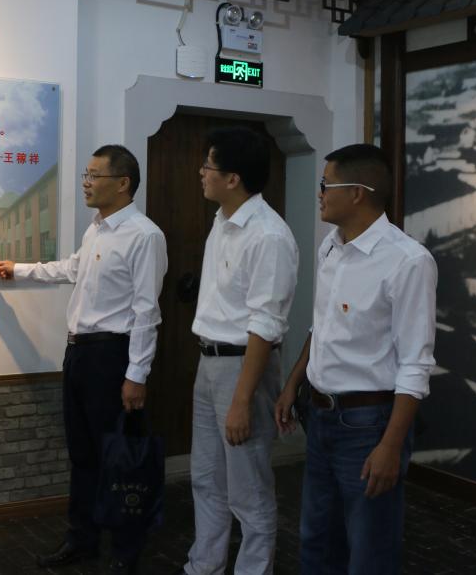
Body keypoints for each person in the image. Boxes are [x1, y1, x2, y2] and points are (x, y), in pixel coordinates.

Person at [0, 144, 167, 575]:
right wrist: (20, 268)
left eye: (94, 176)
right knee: (83, 455)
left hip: (114, 357)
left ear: (122, 183)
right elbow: (71, 269)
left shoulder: (144, 235)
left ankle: (125, 551)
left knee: (120, 457)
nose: (86, 183)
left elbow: (147, 311)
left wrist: (137, 375)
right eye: (85, 175)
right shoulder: (97, 230)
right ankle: (82, 540)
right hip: (80, 355)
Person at [274, 143, 437, 574]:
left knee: (369, 550)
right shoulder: (331, 247)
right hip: (321, 416)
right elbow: (322, 327)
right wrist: (293, 383)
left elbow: (416, 365)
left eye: (326, 184)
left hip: (368, 425)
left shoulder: (407, 261)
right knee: (316, 541)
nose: (320, 193)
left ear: (357, 193)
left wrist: (391, 446)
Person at [178, 128, 298, 575]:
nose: (201, 173)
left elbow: (265, 326)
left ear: (233, 178)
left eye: (208, 166)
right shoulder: (222, 221)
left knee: (248, 489)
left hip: (243, 369)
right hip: (209, 363)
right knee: (207, 477)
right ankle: (204, 566)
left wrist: (242, 401)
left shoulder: (268, 235)